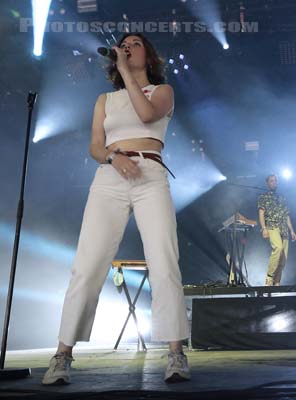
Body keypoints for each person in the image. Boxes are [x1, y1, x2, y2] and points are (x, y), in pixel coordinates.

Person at [42, 33, 190, 385]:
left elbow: (145, 114)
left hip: (150, 174)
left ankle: (175, 352)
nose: (127, 47)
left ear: (148, 55)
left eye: (135, 43)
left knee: (163, 261)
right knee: (87, 264)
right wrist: (112, 156)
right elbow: (95, 145)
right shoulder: (104, 100)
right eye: (123, 44)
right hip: (110, 175)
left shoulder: (162, 92)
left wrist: (127, 73)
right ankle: (62, 355)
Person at [257, 175, 296, 286]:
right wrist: (264, 228)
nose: (274, 183)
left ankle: (277, 281)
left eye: (276, 181)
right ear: (267, 183)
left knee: (283, 259)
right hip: (272, 226)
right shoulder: (263, 196)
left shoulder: (282, 197)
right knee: (278, 248)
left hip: (284, 228)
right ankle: (269, 277)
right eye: (272, 181)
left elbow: (287, 215)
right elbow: (261, 213)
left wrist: (292, 231)